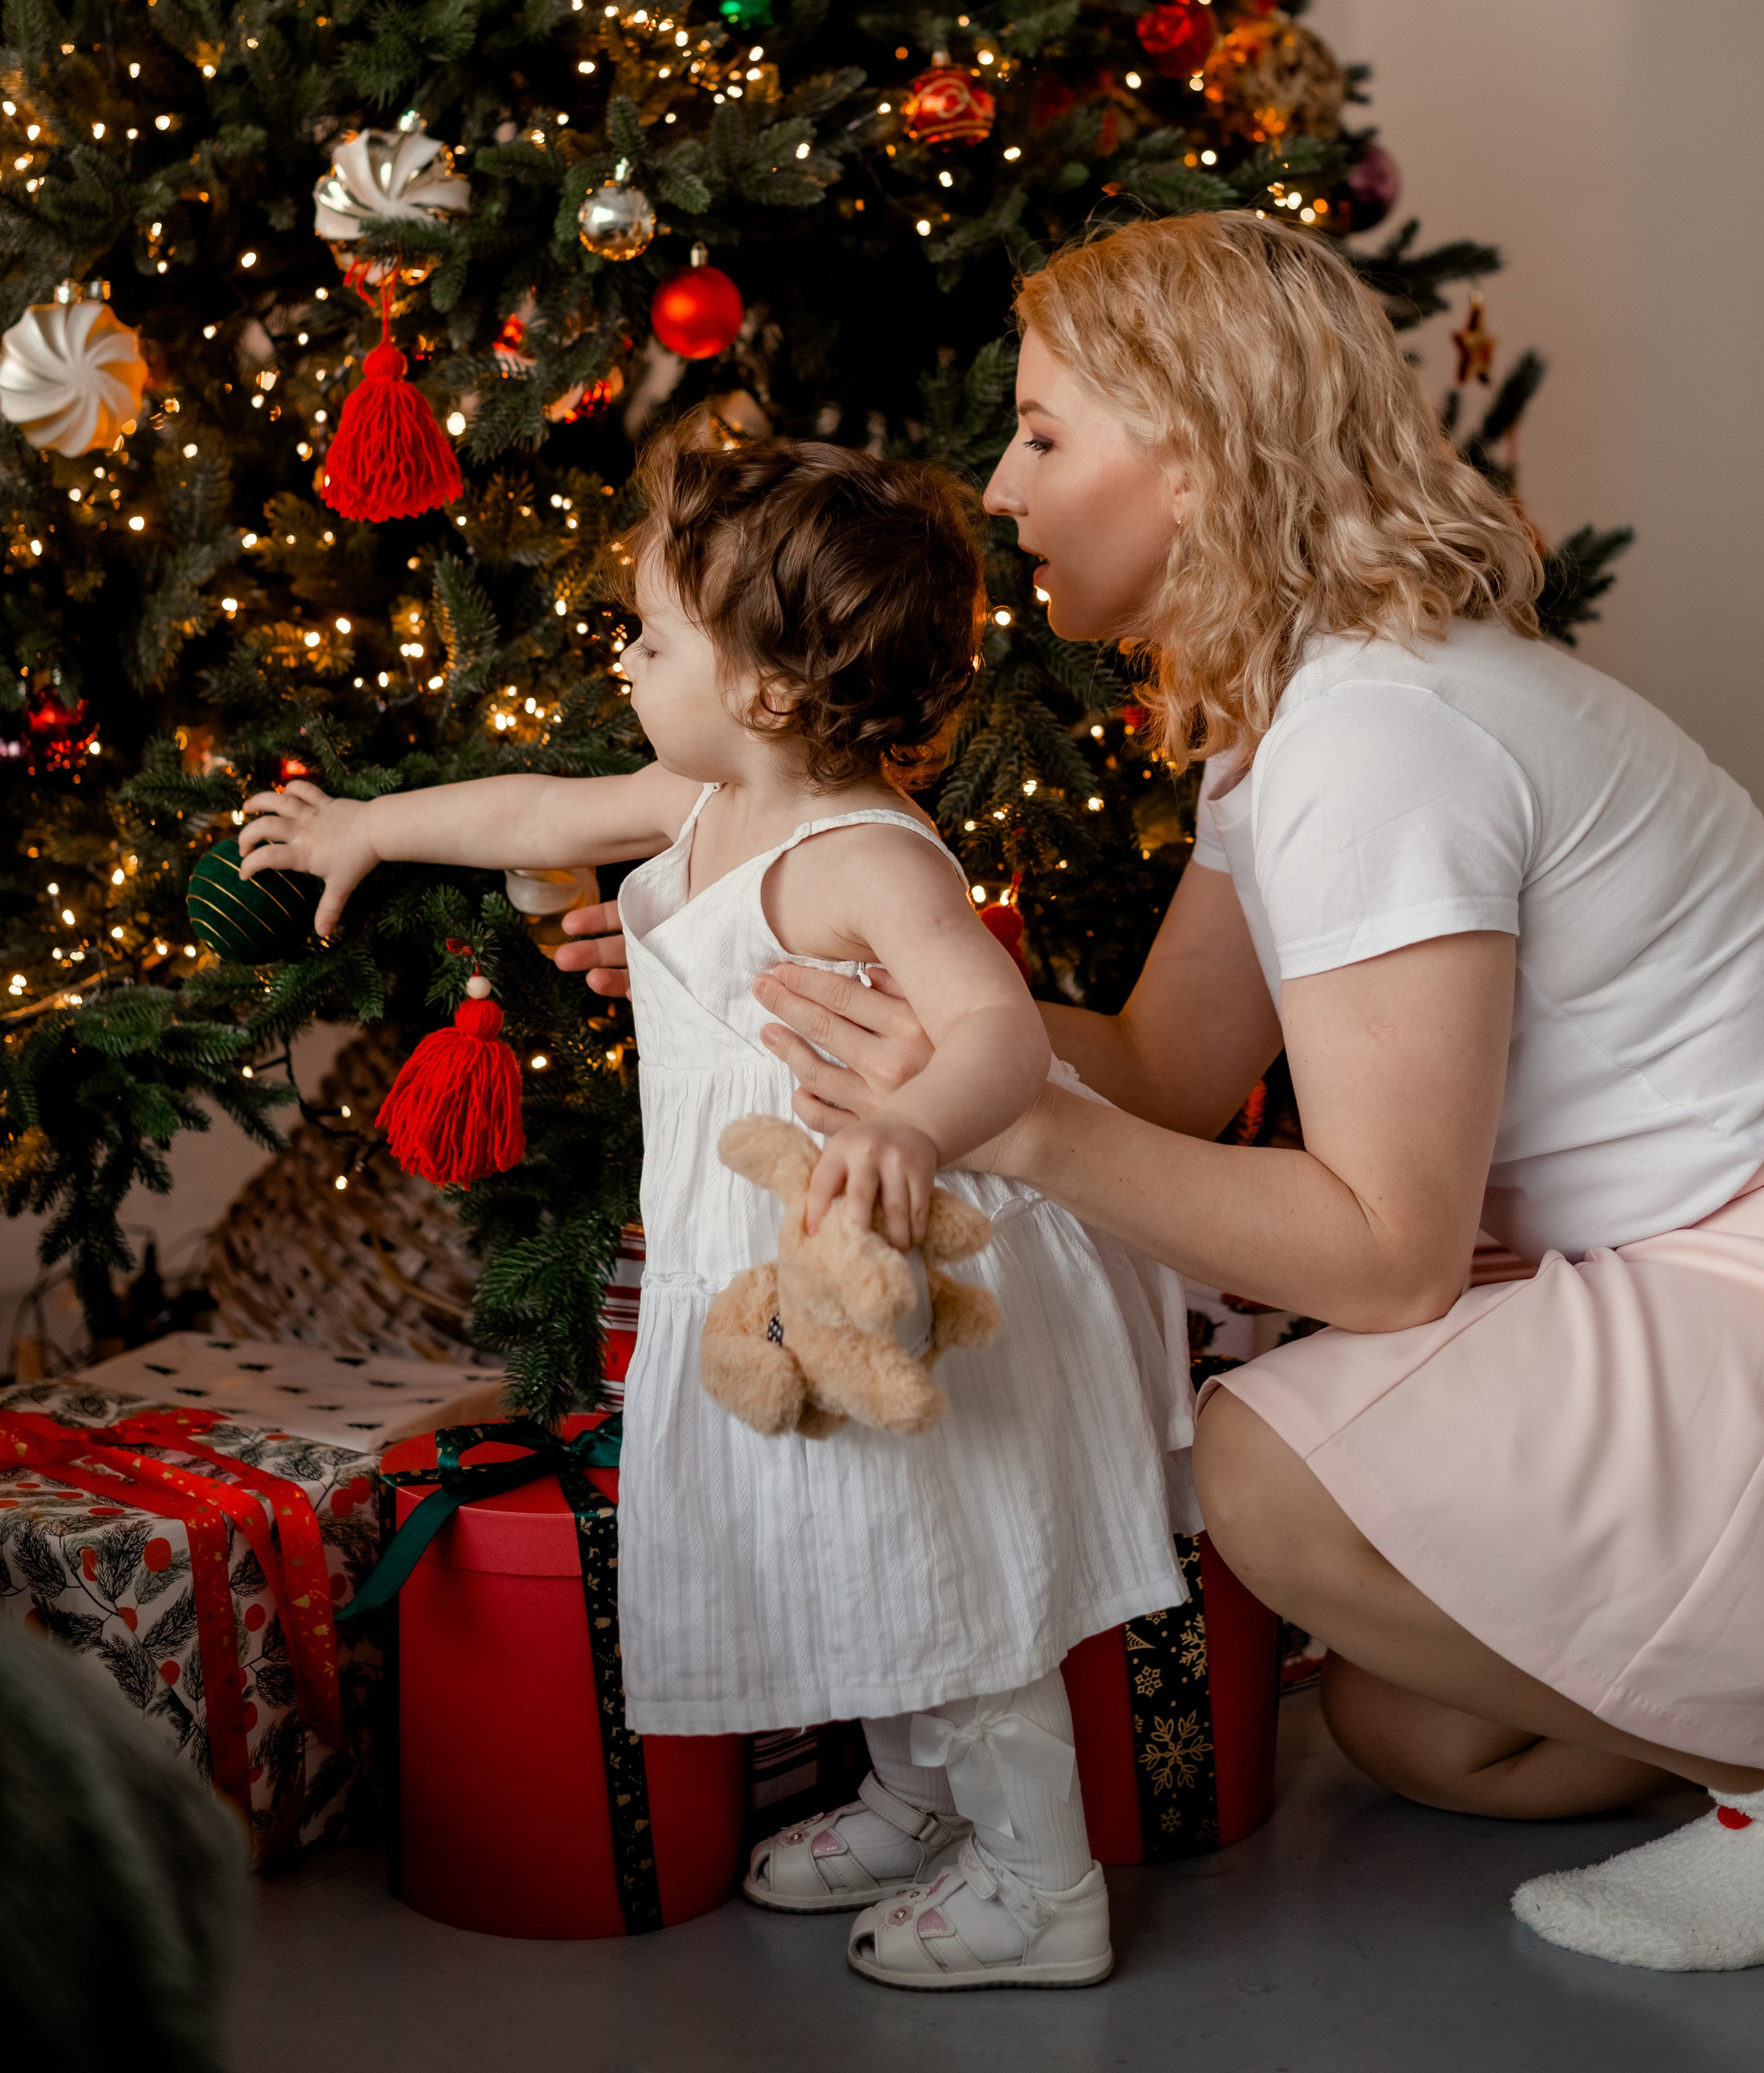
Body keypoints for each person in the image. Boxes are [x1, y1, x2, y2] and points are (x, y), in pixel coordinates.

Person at [602, 213, 1764, 1978]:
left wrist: (1008, 1119)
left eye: (1043, 433)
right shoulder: (1288, 718)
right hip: (1702, 1257)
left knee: (1270, 1477)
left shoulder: (1378, 738)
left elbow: (1380, 1259)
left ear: (1190, 462)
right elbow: (1163, 1070)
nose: (1000, 478)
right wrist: (787, 981)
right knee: (1419, 1725)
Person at [239, 422, 1194, 1994]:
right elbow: (538, 815)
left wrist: (902, 1122)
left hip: (876, 1276)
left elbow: (1000, 1028)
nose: (621, 656)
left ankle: (1040, 1880)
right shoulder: (695, 804)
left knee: (944, 1577)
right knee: (855, 1548)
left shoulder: (858, 854)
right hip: (753, 1266)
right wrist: (363, 828)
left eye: (650, 634)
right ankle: (914, 1796)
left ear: (758, 687)